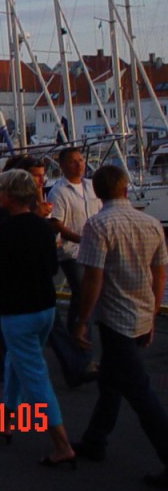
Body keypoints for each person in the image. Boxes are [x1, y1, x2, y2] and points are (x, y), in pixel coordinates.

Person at [71, 164, 168, 485]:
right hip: (141, 314)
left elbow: (93, 280)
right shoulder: (152, 223)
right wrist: (153, 313)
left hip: (115, 319)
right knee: (111, 382)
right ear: (126, 189)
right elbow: (160, 274)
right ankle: (95, 439)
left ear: (97, 193)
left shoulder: (97, 226)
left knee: (141, 393)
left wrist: (82, 321)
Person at [0, 169, 75, 467]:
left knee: (35, 375)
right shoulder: (41, 227)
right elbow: (51, 267)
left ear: (8, 196)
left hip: (17, 310)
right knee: (17, 361)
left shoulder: (6, 231)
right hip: (45, 307)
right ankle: (6, 420)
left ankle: (61, 444)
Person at [47, 146, 100, 379]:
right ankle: (81, 351)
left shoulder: (91, 187)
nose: (79, 164)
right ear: (63, 165)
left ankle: (78, 341)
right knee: (82, 294)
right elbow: (56, 223)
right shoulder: (59, 192)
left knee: (87, 298)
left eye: (81, 160)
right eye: (73, 161)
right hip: (73, 252)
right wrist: (80, 238)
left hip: (96, 251)